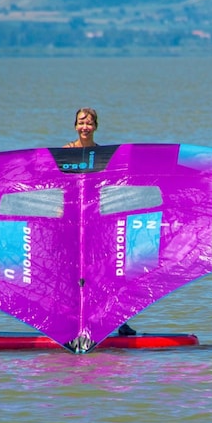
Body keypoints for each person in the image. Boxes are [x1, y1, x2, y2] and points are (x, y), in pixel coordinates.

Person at [63, 107, 137, 337]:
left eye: (89, 122)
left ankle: (117, 322)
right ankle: (69, 327)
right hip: (72, 223)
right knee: (72, 278)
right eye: (81, 122)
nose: (85, 126)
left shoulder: (102, 155)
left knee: (107, 274)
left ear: (95, 127)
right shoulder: (65, 152)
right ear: (75, 126)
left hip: (98, 222)